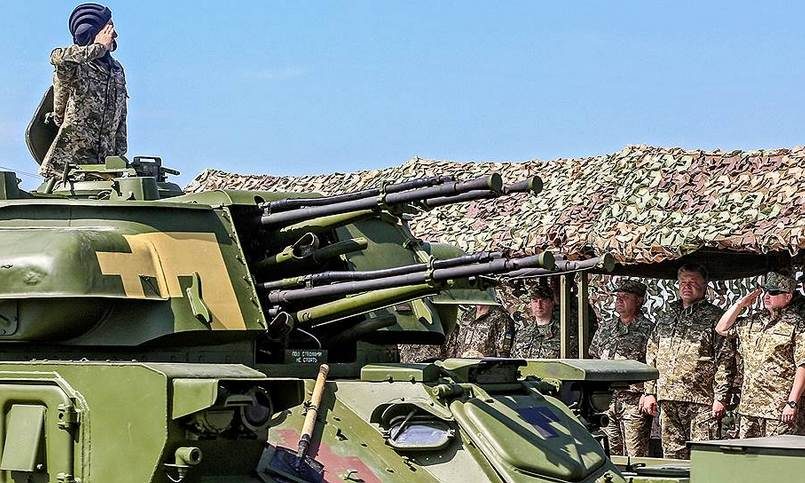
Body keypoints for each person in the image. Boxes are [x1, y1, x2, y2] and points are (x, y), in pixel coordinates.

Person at [641, 264, 733, 459]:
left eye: (693, 282)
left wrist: (721, 397)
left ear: (705, 285)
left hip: (702, 400)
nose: (686, 286)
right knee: (673, 458)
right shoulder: (667, 315)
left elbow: (725, 359)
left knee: (704, 457)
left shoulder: (715, 317)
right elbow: (652, 353)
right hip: (668, 398)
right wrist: (649, 392)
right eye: (683, 282)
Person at [40, 3, 128, 179]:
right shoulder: (76, 66)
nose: (114, 35)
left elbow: (121, 117)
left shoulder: (116, 69)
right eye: (109, 29)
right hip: (69, 168)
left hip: (105, 168)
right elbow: (58, 58)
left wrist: (120, 158)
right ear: (93, 32)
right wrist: (99, 47)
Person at [715, 272, 805, 437]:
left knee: (777, 453)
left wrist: (792, 402)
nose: (767, 296)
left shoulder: (797, 325)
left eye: (774, 292)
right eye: (766, 291)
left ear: (788, 296)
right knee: (748, 452)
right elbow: (721, 328)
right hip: (749, 409)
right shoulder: (753, 321)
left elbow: (803, 365)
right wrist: (741, 304)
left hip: (778, 409)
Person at [589, 280, 653, 456]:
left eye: (625, 297)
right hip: (607, 400)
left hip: (633, 401)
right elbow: (594, 356)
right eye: (617, 296)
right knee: (608, 453)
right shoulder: (606, 328)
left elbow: (654, 364)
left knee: (635, 455)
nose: (619, 300)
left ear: (639, 301)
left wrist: (649, 393)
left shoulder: (649, 329)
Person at [510, 283, 578, 359]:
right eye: (535, 301)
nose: (539, 305)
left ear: (552, 303)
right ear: (531, 304)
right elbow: (513, 361)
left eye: (543, 300)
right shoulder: (521, 334)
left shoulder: (565, 335)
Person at [448, 303, 515, 358]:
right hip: (461, 363)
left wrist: (483, 358)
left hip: (484, 367)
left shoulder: (500, 317)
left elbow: (503, 353)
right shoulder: (467, 315)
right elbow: (457, 344)